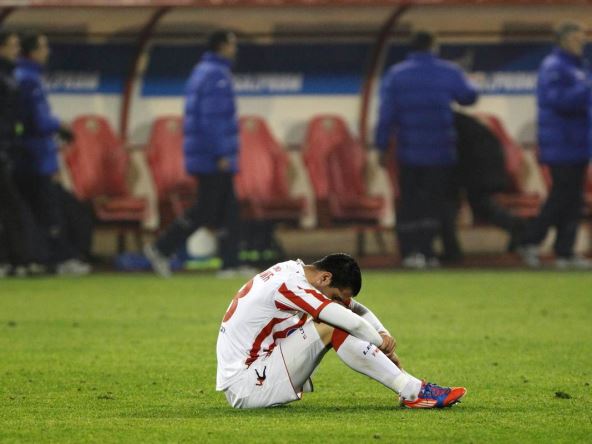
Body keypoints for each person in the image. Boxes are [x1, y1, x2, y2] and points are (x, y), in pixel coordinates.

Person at [216, 253, 466, 409]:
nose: (339, 302)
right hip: (248, 385)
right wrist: (382, 347)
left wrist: (382, 332)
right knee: (333, 324)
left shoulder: (295, 271)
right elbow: (352, 323)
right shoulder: (290, 285)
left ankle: (410, 388)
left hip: (258, 369)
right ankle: (413, 391)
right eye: (336, 296)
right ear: (325, 278)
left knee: (336, 318)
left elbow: (353, 308)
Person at [145, 30, 250, 278]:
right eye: (232, 44)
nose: (235, 49)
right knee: (206, 210)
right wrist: (221, 153)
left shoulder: (206, 71)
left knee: (228, 210)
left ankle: (231, 263)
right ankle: (161, 248)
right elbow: (212, 119)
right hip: (212, 156)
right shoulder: (215, 75)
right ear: (221, 46)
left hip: (207, 153)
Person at [376, 31, 478, 269]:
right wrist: (471, 81)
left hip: (409, 152)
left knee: (410, 203)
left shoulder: (396, 74)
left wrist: (381, 146)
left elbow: (386, 115)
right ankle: (430, 251)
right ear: (433, 46)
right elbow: (468, 97)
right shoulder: (449, 71)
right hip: (441, 153)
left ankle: (411, 252)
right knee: (436, 202)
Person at [14, 32, 90, 276]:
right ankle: (58, 259)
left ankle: (32, 258)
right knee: (48, 211)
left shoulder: (23, 76)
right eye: (44, 47)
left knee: (29, 211)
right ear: (32, 51)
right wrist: (60, 126)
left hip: (24, 155)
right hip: (34, 156)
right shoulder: (28, 79)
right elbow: (38, 120)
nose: (48, 52)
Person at [518, 22, 591, 269]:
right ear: (563, 39)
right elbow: (558, 101)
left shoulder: (578, 67)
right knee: (561, 196)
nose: (582, 42)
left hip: (577, 143)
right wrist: (587, 87)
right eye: (577, 38)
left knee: (573, 199)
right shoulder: (553, 67)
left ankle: (565, 251)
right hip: (560, 143)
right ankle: (529, 241)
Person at [438, 112, 527, 263]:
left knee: (450, 203)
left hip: (476, 162)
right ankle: (518, 228)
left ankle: (451, 251)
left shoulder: (440, 123)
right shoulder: (455, 120)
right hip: (481, 159)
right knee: (476, 204)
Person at [0, 30, 32, 277]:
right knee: (11, 205)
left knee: (12, 206)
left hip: (8, 149)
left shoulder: (12, 76)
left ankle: (14, 260)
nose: (16, 51)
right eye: (12, 45)